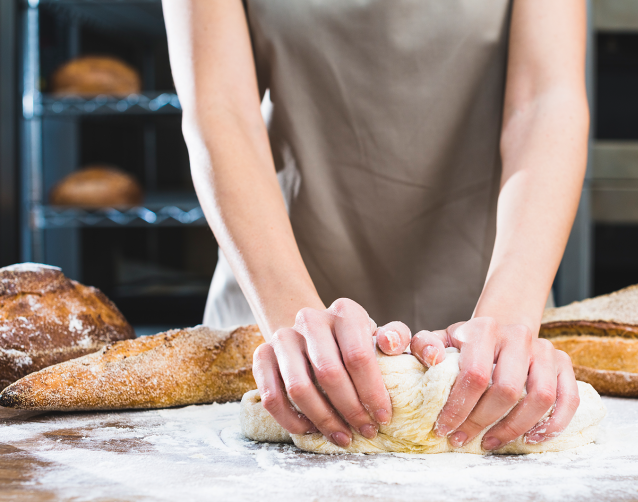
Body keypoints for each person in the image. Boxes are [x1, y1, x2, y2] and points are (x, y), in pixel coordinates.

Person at [162, 0, 589, 451]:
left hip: (490, 316)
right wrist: (296, 325)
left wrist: (509, 320)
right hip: (275, 313)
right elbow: (222, 107)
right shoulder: (285, 328)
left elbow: (544, 103)